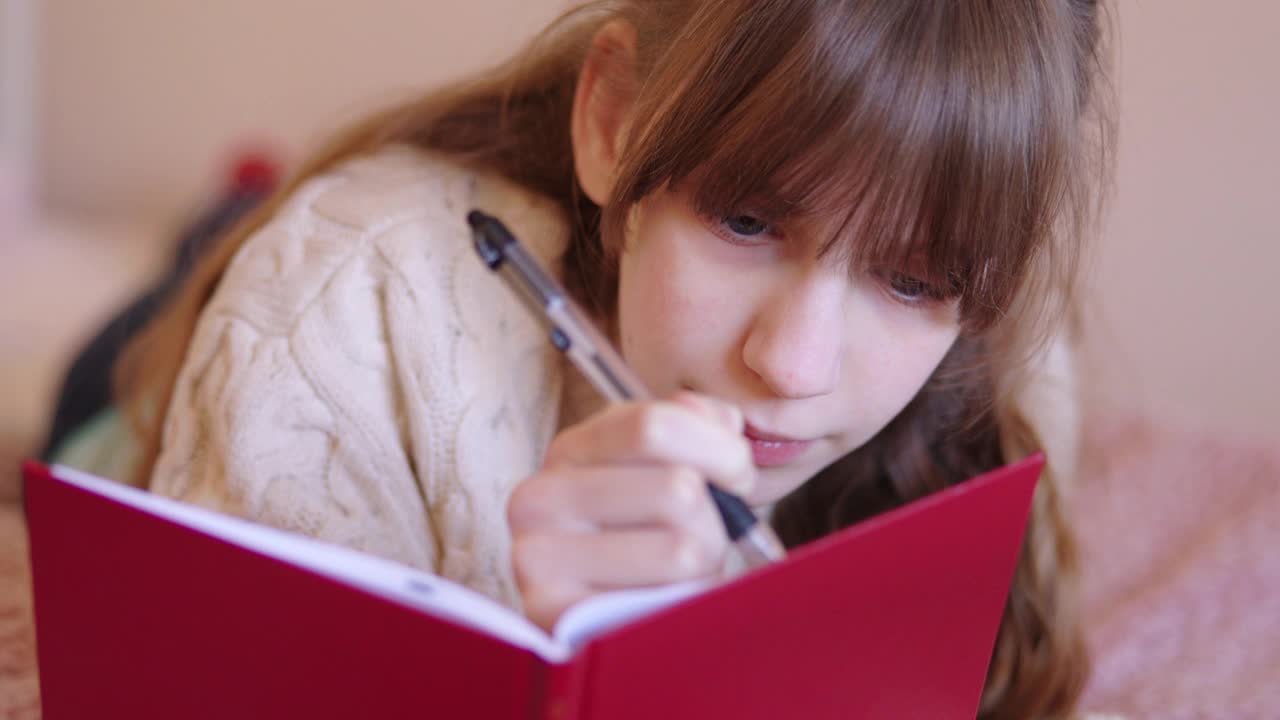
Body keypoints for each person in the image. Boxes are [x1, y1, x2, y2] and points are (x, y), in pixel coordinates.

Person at [66, 2, 1114, 717]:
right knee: (150, 335)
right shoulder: (342, 305)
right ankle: (231, 207)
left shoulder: (1006, 347)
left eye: (910, 281)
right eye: (746, 218)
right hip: (169, 384)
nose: (792, 367)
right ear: (612, 122)